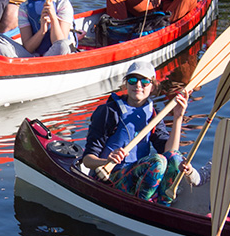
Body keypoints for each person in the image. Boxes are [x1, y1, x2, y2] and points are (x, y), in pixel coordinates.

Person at [79, 60, 191, 205]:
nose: (138, 85)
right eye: (132, 80)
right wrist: (107, 161)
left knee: (176, 158)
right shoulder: (108, 112)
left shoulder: (153, 115)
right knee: (158, 162)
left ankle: (164, 204)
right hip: (109, 179)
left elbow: (171, 153)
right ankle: (142, 207)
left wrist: (178, 117)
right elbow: (87, 160)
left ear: (153, 86)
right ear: (126, 84)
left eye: (144, 81)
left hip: (136, 177)